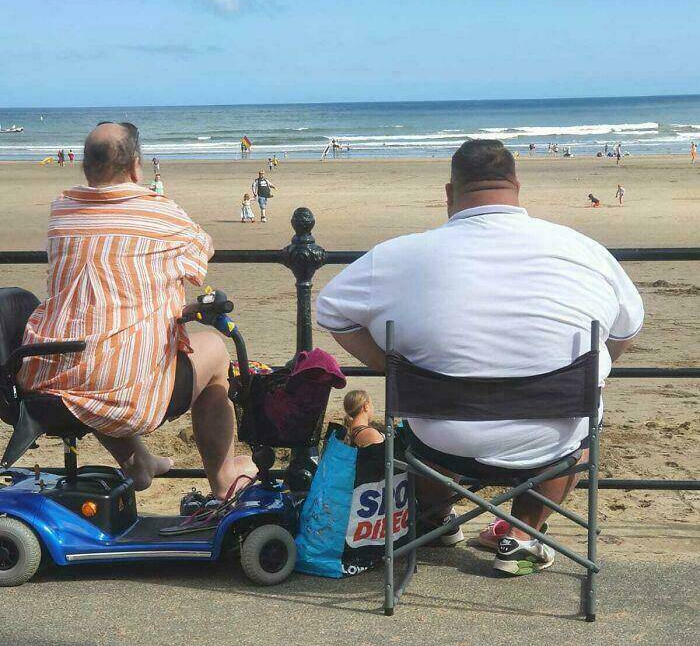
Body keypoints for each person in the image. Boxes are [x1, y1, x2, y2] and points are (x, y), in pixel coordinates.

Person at [316, 139, 644, 576]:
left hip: (446, 439)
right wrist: (591, 372)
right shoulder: (585, 250)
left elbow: (331, 311)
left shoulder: (398, 255)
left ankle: (434, 521)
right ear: (517, 188)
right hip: (551, 440)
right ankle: (523, 537)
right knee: (583, 419)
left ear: (449, 193)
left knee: (425, 424)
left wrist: (387, 365)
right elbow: (625, 329)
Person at [18, 122, 255, 498]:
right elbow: (201, 250)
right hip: (121, 390)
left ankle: (138, 462)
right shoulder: (160, 214)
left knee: (99, 347)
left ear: (85, 166)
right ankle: (223, 478)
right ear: (135, 166)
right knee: (213, 351)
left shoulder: (62, 209)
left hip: (47, 373)